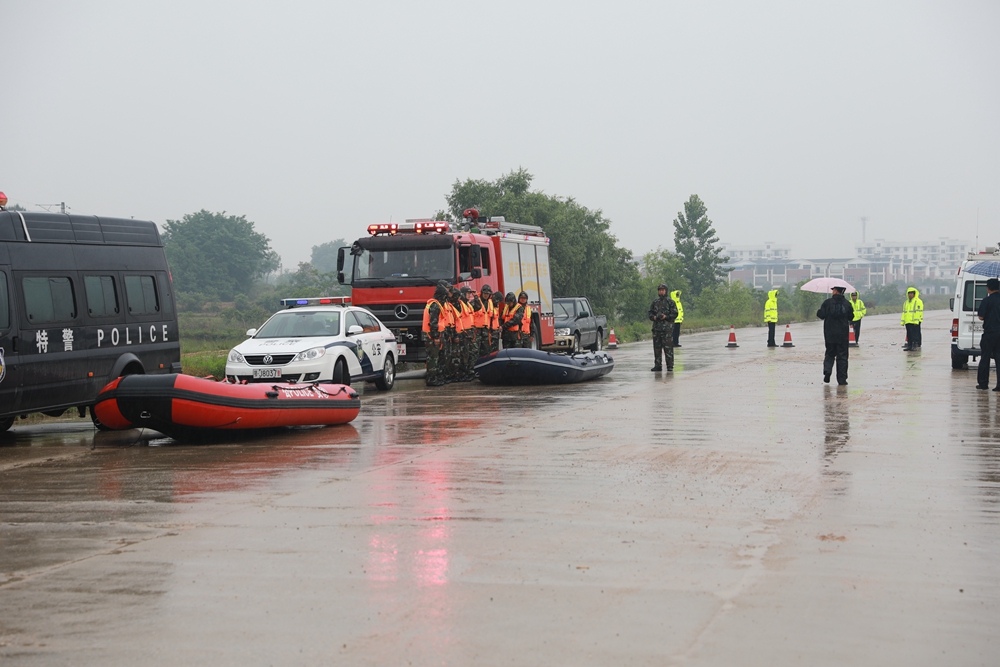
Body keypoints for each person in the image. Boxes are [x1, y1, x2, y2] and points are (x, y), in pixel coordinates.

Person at [817, 285, 854, 385]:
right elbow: (851, 317)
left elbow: (821, 315)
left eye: (833, 289)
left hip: (830, 334)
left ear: (836, 291)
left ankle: (827, 371)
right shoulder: (847, 304)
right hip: (842, 334)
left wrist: (820, 310)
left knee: (829, 353)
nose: (832, 291)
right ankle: (842, 380)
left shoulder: (827, 303)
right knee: (842, 356)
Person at [421, 282, 450, 386]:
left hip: (433, 335)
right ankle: (432, 379)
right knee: (433, 358)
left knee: (436, 357)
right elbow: (433, 323)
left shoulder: (434, 304)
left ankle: (436, 377)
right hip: (432, 336)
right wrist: (436, 336)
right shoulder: (435, 306)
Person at [976, 278, 1000, 390]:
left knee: (985, 358)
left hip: (990, 333)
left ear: (988, 288)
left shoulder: (986, 300)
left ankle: (983, 383)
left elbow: (981, 316)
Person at [648, 283, 678, 372]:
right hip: (657, 329)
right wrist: (654, 317)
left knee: (668, 348)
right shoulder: (655, 302)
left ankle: (670, 365)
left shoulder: (670, 302)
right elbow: (650, 313)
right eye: (660, 290)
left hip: (667, 329)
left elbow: (675, 314)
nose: (661, 292)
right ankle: (657, 365)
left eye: (663, 290)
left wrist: (666, 317)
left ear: (666, 291)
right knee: (657, 348)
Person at [901, 287, 924, 351]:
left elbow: (918, 312)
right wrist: (903, 321)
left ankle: (915, 345)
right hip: (908, 321)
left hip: (915, 322)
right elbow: (904, 312)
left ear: (914, 294)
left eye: (911, 293)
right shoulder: (906, 302)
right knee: (909, 334)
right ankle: (909, 345)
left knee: (915, 334)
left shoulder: (918, 301)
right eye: (909, 293)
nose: (910, 295)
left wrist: (916, 321)